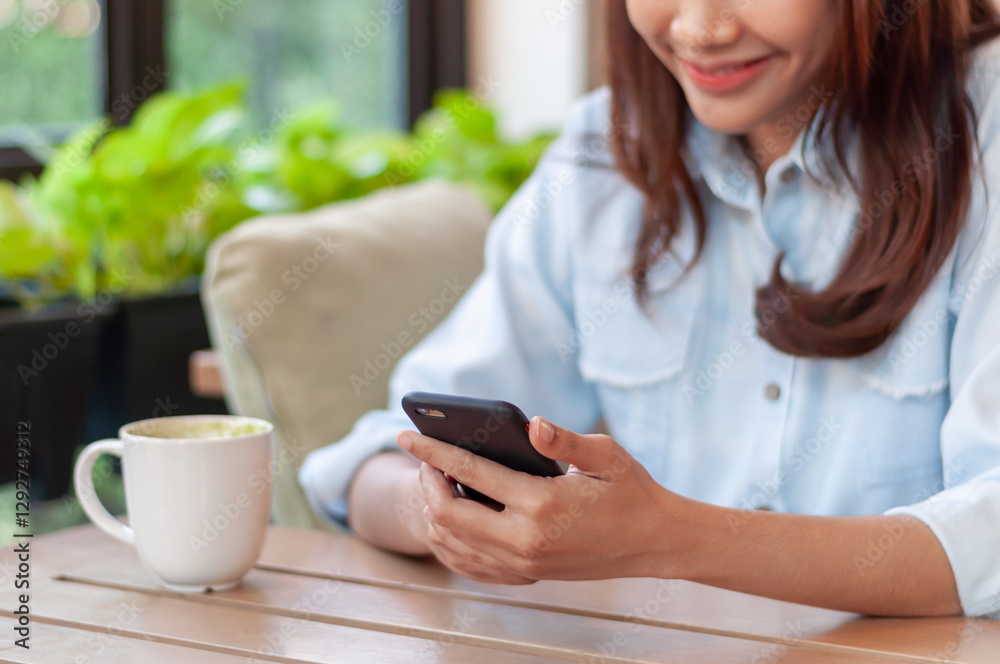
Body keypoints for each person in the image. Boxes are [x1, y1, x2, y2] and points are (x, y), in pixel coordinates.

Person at [300, 0, 1000, 618]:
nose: (699, 29)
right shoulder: (602, 158)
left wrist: (668, 540)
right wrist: (450, 518)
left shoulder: (985, 129)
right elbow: (377, 459)